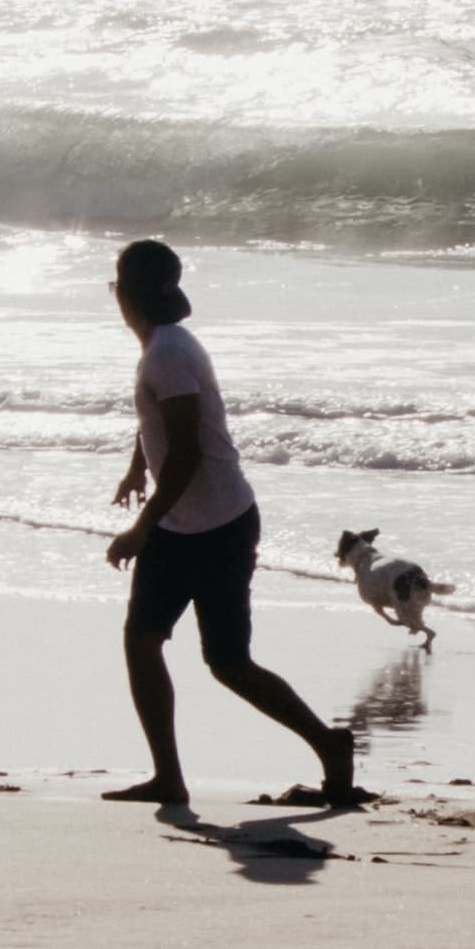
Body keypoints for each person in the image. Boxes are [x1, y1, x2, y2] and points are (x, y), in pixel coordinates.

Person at [102, 236, 358, 812]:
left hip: (218, 526)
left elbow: (189, 449)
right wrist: (136, 466)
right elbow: (161, 425)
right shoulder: (163, 348)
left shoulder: (168, 351)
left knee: (228, 663)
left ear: (122, 293)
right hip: (181, 524)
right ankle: (167, 777)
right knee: (141, 640)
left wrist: (141, 527)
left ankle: (330, 744)